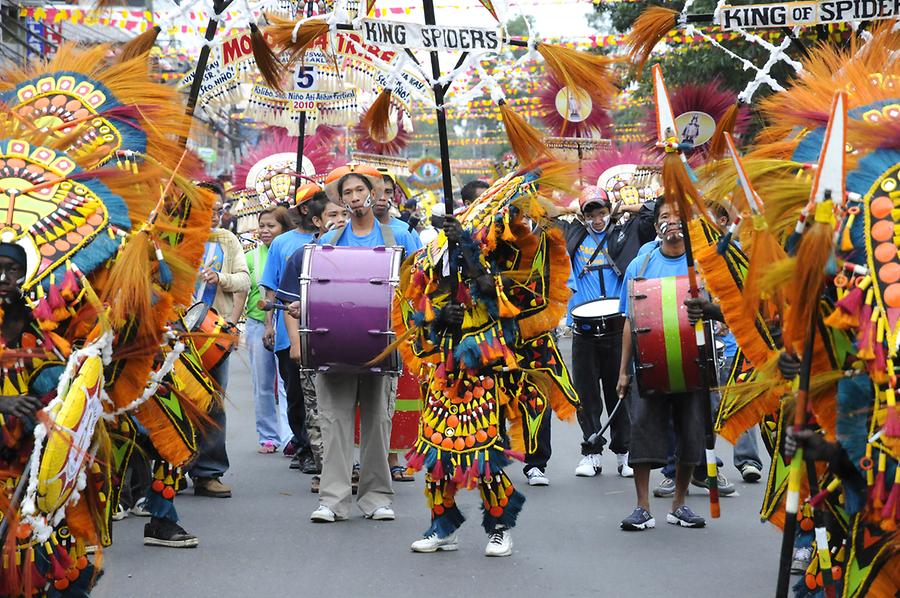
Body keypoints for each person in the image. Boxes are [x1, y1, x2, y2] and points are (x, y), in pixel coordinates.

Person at [399, 166, 578, 557]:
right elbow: (426, 302)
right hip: (445, 368)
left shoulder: (516, 253)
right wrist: (436, 317)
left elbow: (501, 302)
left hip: (487, 369)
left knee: (483, 451)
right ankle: (441, 525)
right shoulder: (440, 251)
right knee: (436, 451)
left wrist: (466, 247)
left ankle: (499, 527)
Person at [287, 164, 418, 523]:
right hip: (335, 345)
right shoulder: (326, 243)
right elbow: (314, 288)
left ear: (373, 193)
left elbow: (422, 284)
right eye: (348, 193)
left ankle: (376, 497)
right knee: (333, 421)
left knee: (378, 422)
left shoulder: (400, 237)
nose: (356, 198)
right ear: (340, 200)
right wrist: (304, 305)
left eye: (361, 190)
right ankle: (333, 499)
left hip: (382, 346)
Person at [616, 198, 707, 531]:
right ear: (656, 227)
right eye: (664, 217)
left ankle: (679, 505)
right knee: (642, 430)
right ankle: (642, 507)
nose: (671, 222)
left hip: (692, 364)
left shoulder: (701, 264)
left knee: (691, 432)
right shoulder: (641, 265)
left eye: (677, 216)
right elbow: (629, 320)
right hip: (648, 364)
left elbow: (717, 314)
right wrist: (623, 371)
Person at [565, 186, 656, 479]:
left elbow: (653, 213)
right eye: (590, 213)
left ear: (609, 210)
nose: (597, 218)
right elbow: (540, 216)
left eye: (602, 211)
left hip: (619, 328)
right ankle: (591, 452)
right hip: (585, 330)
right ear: (583, 215)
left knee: (622, 391)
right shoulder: (573, 237)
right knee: (587, 395)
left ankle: (623, 452)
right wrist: (567, 212)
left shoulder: (625, 234)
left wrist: (627, 208)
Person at [189, 181, 250, 498]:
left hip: (214, 334)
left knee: (212, 403)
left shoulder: (227, 240)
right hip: (179, 333)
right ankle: (168, 469)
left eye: (218, 210)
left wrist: (221, 278)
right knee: (177, 402)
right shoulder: (177, 237)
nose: (214, 215)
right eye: (207, 209)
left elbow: (244, 279)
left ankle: (208, 472)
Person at [259, 183, 321, 474]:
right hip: (289, 333)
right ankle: (303, 443)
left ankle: (319, 448)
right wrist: (269, 326)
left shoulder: (335, 240)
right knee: (295, 394)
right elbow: (272, 289)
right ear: (307, 210)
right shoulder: (283, 244)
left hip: (326, 332)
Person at [245, 206, 294, 453]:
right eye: (262, 226)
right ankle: (268, 436)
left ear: (284, 228)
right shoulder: (251, 257)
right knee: (262, 384)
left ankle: (289, 437)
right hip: (256, 325)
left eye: (271, 226)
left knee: (288, 383)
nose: (265, 231)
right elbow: (246, 290)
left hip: (287, 324)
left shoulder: (290, 251)